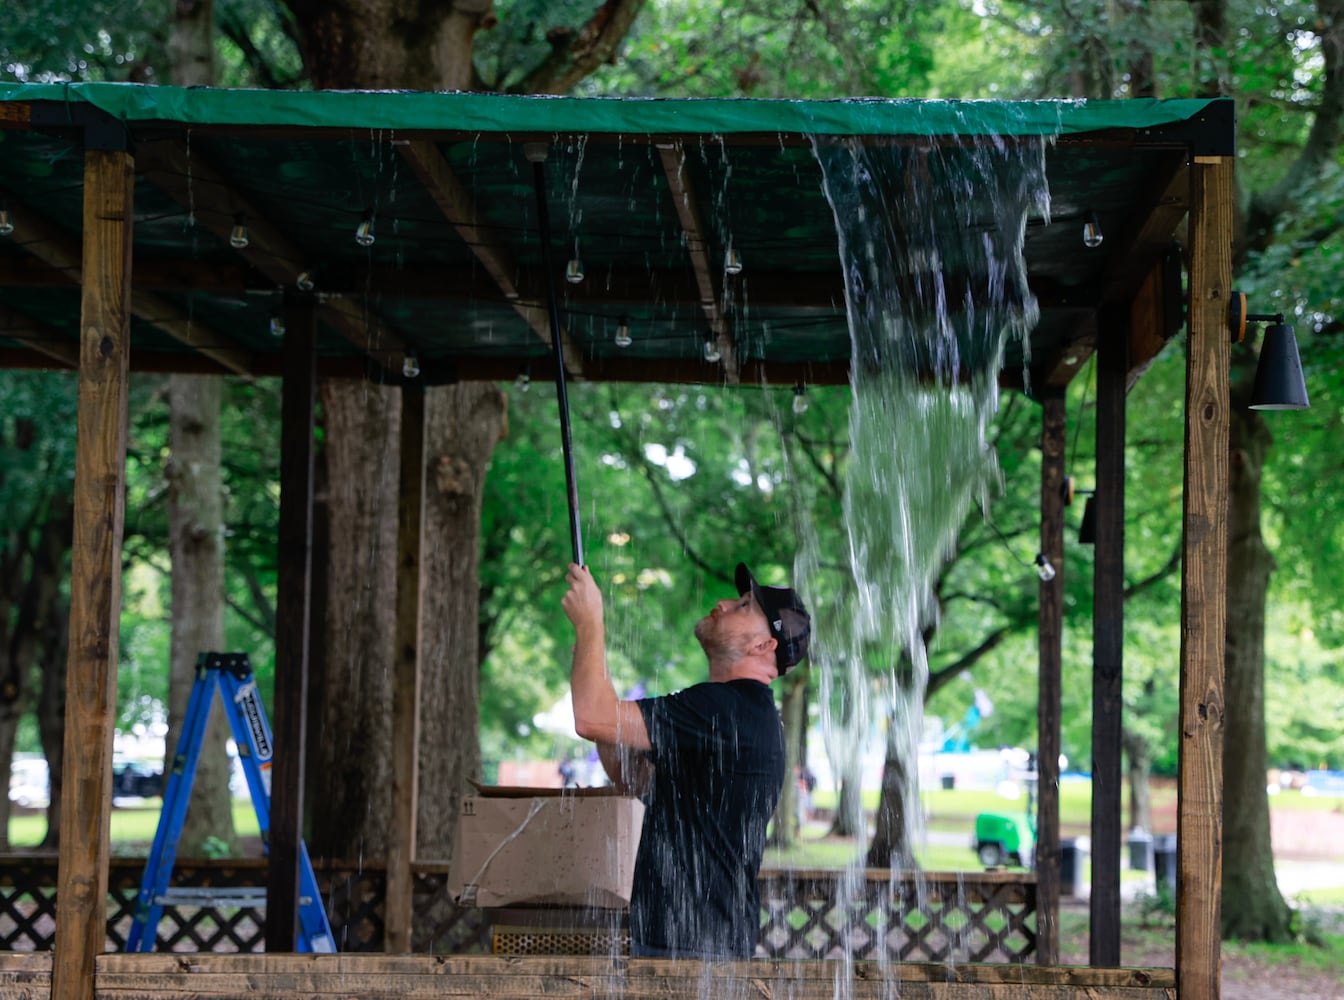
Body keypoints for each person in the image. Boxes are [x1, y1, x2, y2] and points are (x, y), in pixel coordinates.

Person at [561, 560, 811, 960]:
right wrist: (598, 670)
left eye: (744, 606)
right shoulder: (729, 712)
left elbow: (591, 717)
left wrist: (591, 622)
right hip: (688, 940)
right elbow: (631, 776)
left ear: (765, 646)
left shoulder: (728, 709)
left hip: (695, 949)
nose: (723, 604)